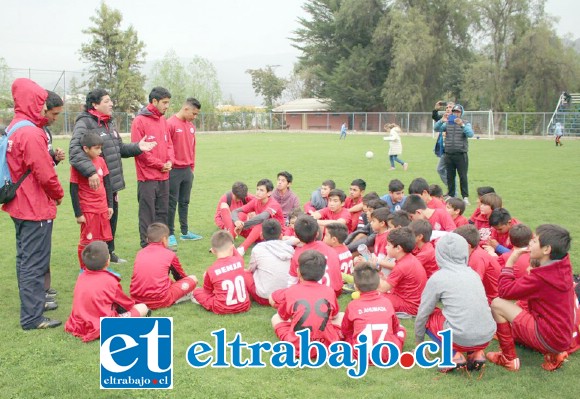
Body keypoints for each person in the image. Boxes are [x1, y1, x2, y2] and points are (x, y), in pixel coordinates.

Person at [3, 78, 65, 330]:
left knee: (25, 258)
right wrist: (58, 193)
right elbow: (44, 172)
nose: (42, 106)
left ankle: (35, 304)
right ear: (32, 101)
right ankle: (32, 317)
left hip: (19, 203)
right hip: (33, 206)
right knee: (34, 261)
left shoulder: (16, 126)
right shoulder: (31, 132)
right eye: (40, 101)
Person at [69, 88, 156, 263]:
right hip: (95, 187)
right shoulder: (85, 123)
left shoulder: (109, 123)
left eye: (111, 100)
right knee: (96, 224)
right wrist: (91, 171)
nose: (111, 104)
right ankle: (93, 258)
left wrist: (138, 147)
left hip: (111, 182)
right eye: (107, 101)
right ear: (95, 104)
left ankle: (109, 253)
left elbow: (119, 149)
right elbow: (74, 150)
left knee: (111, 220)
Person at [487, 224, 575, 371]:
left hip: (550, 335)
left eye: (534, 241)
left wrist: (511, 259)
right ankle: (554, 354)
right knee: (516, 316)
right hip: (561, 336)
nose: (530, 243)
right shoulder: (562, 264)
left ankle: (508, 358)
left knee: (497, 304)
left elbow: (504, 292)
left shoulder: (542, 277)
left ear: (546, 249)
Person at [415, 233, 496, 372]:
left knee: (430, 315)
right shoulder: (473, 274)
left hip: (460, 336)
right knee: (464, 316)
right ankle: (476, 353)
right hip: (486, 335)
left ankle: (453, 356)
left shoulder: (438, 278)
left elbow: (423, 311)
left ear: (439, 253)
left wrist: (418, 343)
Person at [65, 241, 149, 342]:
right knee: (142, 308)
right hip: (102, 325)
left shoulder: (81, 277)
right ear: (108, 261)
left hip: (78, 325)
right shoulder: (110, 280)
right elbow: (127, 304)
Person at [270, 250, 342, 356]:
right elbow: (335, 315)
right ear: (322, 274)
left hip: (298, 346)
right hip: (326, 345)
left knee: (276, 318)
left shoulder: (291, 291)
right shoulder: (329, 291)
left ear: (298, 272)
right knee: (341, 316)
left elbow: (283, 316)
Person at [131, 87, 174, 248]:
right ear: (154, 101)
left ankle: (162, 245)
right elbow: (140, 151)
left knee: (163, 213)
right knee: (147, 215)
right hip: (147, 177)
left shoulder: (163, 121)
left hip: (164, 176)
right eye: (164, 102)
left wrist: (170, 161)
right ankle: (146, 246)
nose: (167, 106)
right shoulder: (139, 121)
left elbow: (169, 144)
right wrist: (159, 164)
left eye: (168, 102)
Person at [341, 263, 407, 362]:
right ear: (379, 285)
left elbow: (346, 331)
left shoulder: (353, 305)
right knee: (402, 329)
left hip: (361, 355)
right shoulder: (387, 302)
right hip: (389, 354)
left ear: (356, 287)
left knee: (342, 335)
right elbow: (395, 328)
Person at [70, 131, 113, 269]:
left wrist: (110, 205)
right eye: (96, 148)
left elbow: (108, 184)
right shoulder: (78, 166)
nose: (100, 151)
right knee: (87, 241)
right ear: (85, 149)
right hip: (88, 210)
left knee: (102, 240)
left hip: (102, 208)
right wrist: (78, 213)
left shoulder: (101, 161)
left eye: (101, 148)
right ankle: (84, 269)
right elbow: (73, 190)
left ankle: (101, 267)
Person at [130, 223, 197, 309]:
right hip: (160, 300)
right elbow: (180, 276)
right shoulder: (169, 254)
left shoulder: (140, 253)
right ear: (164, 239)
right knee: (193, 279)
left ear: (148, 239)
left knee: (164, 280)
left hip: (137, 299)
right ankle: (180, 297)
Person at [167, 98, 203, 247]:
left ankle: (185, 232)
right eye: (193, 113)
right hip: (174, 170)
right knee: (171, 203)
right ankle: (169, 234)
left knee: (185, 202)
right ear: (186, 109)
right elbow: (166, 148)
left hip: (187, 170)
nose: (194, 117)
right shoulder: (170, 124)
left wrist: (192, 167)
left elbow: (192, 148)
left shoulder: (191, 126)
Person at [192, 230, 250, 314]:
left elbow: (207, 291)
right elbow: (234, 251)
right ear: (232, 247)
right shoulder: (239, 260)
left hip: (221, 308)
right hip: (244, 306)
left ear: (213, 251)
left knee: (197, 291)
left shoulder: (211, 270)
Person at [42, 91, 65, 303]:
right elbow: (39, 170)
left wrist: (54, 158)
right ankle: (37, 296)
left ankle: (44, 288)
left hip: (44, 199)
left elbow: (44, 162)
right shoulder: (29, 132)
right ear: (43, 108)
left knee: (43, 247)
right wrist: (57, 192)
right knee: (35, 252)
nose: (56, 118)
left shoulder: (45, 132)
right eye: (54, 113)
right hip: (35, 200)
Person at [288, 215, 342, 297]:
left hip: (316, 294)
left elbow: (292, 282)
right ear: (317, 234)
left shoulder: (298, 254)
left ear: (295, 234)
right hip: (336, 290)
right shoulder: (328, 247)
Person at [379, 227, 427, 317]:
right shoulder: (409, 258)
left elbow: (383, 288)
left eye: (388, 245)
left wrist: (371, 276)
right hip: (414, 301)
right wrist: (383, 279)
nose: (386, 247)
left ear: (398, 248)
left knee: (373, 295)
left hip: (410, 306)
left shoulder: (402, 266)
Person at [243, 219, 293, 306]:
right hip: (286, 295)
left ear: (261, 235)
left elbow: (250, 269)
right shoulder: (289, 248)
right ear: (281, 235)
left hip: (264, 298)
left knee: (244, 272)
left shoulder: (258, 249)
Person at [229, 178, 285, 255]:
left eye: (261, 190)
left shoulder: (273, 204)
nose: (258, 192)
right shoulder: (256, 200)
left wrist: (243, 225)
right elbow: (235, 211)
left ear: (269, 193)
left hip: (274, 235)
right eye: (257, 189)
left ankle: (242, 249)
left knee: (261, 223)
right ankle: (227, 243)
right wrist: (237, 221)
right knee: (240, 215)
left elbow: (262, 217)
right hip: (260, 234)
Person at [433, 104, 474, 204]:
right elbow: (436, 128)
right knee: (450, 176)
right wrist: (442, 120)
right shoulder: (447, 123)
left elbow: (470, 134)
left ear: (461, 113)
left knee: (462, 176)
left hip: (461, 154)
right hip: (448, 154)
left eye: (458, 112)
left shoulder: (466, 123)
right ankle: (451, 195)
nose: (456, 113)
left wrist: (462, 125)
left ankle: (465, 197)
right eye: (454, 111)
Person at [454, 225, 501, 305]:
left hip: (492, 299)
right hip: (489, 295)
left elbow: (473, 286)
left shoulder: (477, 258)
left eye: (456, 243)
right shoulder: (474, 252)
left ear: (467, 246)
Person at [432, 100, 454, 191]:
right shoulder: (444, 117)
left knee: (445, 170)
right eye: (447, 107)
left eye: (450, 107)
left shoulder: (454, 119)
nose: (448, 109)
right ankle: (452, 191)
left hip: (452, 150)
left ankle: (453, 192)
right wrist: (436, 109)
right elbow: (435, 117)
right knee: (442, 170)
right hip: (444, 149)